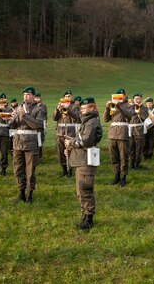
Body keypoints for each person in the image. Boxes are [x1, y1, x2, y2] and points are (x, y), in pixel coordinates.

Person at [65, 97, 102, 230]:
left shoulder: (91, 122)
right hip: (82, 159)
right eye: (80, 108)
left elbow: (86, 142)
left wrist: (71, 143)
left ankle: (89, 218)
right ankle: (85, 215)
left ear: (92, 108)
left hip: (86, 160)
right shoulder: (87, 121)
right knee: (81, 189)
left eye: (84, 108)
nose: (81, 110)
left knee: (85, 189)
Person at [8, 86, 46, 203]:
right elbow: (12, 125)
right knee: (18, 169)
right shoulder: (19, 108)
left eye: (28, 95)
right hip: (18, 142)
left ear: (34, 96)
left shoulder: (39, 110)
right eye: (24, 95)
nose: (26, 97)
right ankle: (21, 193)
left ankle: (29, 194)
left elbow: (37, 125)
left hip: (30, 143)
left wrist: (25, 115)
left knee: (30, 170)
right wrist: (11, 118)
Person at [103, 88, 134, 187]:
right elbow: (106, 119)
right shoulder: (112, 107)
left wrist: (119, 106)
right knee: (114, 157)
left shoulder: (129, 106)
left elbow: (130, 115)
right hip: (112, 134)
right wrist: (107, 108)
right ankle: (116, 176)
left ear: (125, 96)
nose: (121, 97)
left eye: (122, 95)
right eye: (118, 96)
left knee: (123, 157)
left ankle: (123, 177)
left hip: (123, 134)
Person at [53, 89, 81, 177]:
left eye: (69, 96)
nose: (67, 98)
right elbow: (55, 118)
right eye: (66, 96)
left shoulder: (75, 106)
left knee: (70, 152)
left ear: (71, 97)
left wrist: (68, 108)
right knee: (61, 152)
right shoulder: (60, 105)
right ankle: (64, 170)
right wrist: (57, 109)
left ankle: (70, 171)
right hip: (60, 132)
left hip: (70, 132)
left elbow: (77, 117)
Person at [128, 93, 148, 169]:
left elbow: (144, 117)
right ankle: (131, 164)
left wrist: (138, 109)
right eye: (135, 98)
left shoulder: (144, 108)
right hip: (130, 129)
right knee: (131, 148)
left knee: (138, 149)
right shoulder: (130, 107)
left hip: (139, 130)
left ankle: (137, 164)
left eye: (139, 98)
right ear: (133, 99)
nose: (137, 99)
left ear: (141, 100)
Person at [34, 91, 48, 160]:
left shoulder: (43, 106)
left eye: (38, 97)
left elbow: (44, 113)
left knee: (40, 142)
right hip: (33, 127)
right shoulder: (32, 106)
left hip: (40, 127)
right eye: (35, 97)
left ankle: (39, 157)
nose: (37, 99)